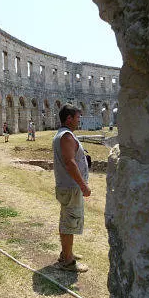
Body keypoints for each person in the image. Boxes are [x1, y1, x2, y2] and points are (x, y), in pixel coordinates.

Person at [52, 104, 91, 273]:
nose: (79, 121)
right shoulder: (67, 136)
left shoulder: (62, 135)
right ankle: (68, 261)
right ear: (69, 118)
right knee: (70, 222)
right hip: (71, 187)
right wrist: (83, 185)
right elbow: (70, 163)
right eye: (77, 118)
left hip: (67, 187)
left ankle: (66, 253)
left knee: (67, 220)